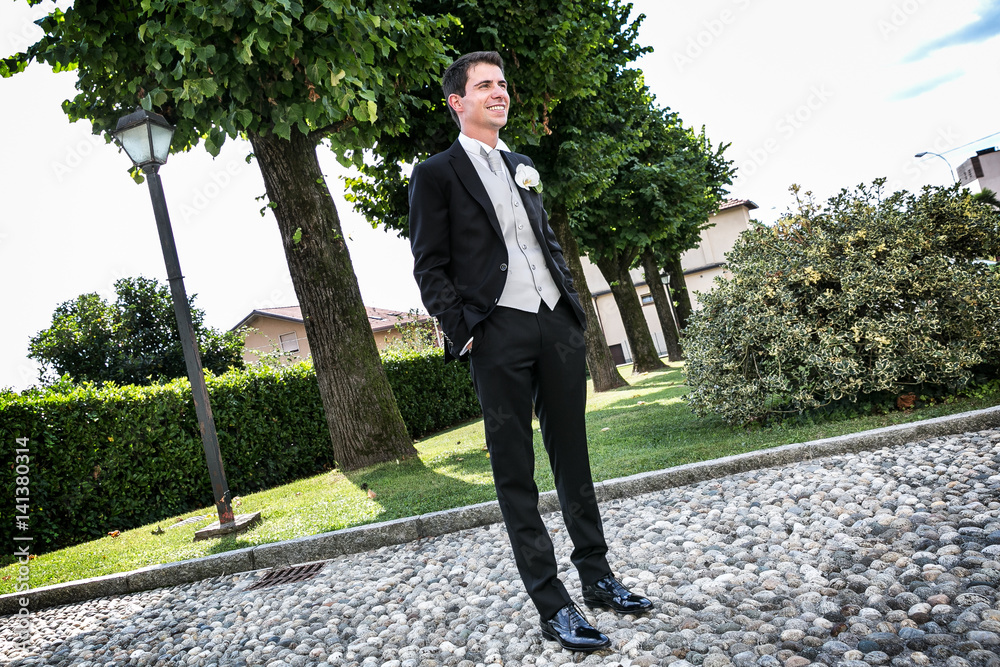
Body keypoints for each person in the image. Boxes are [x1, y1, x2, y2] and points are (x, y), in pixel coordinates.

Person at [408, 50, 653, 653]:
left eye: (502, 84)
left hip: (555, 324)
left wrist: (572, 308)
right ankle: (553, 604)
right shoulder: (435, 173)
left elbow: (544, 242)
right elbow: (429, 264)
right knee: (514, 471)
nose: (499, 92)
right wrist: (465, 329)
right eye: (484, 86)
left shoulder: (523, 166)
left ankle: (598, 578)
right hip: (496, 333)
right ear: (457, 102)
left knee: (574, 457)